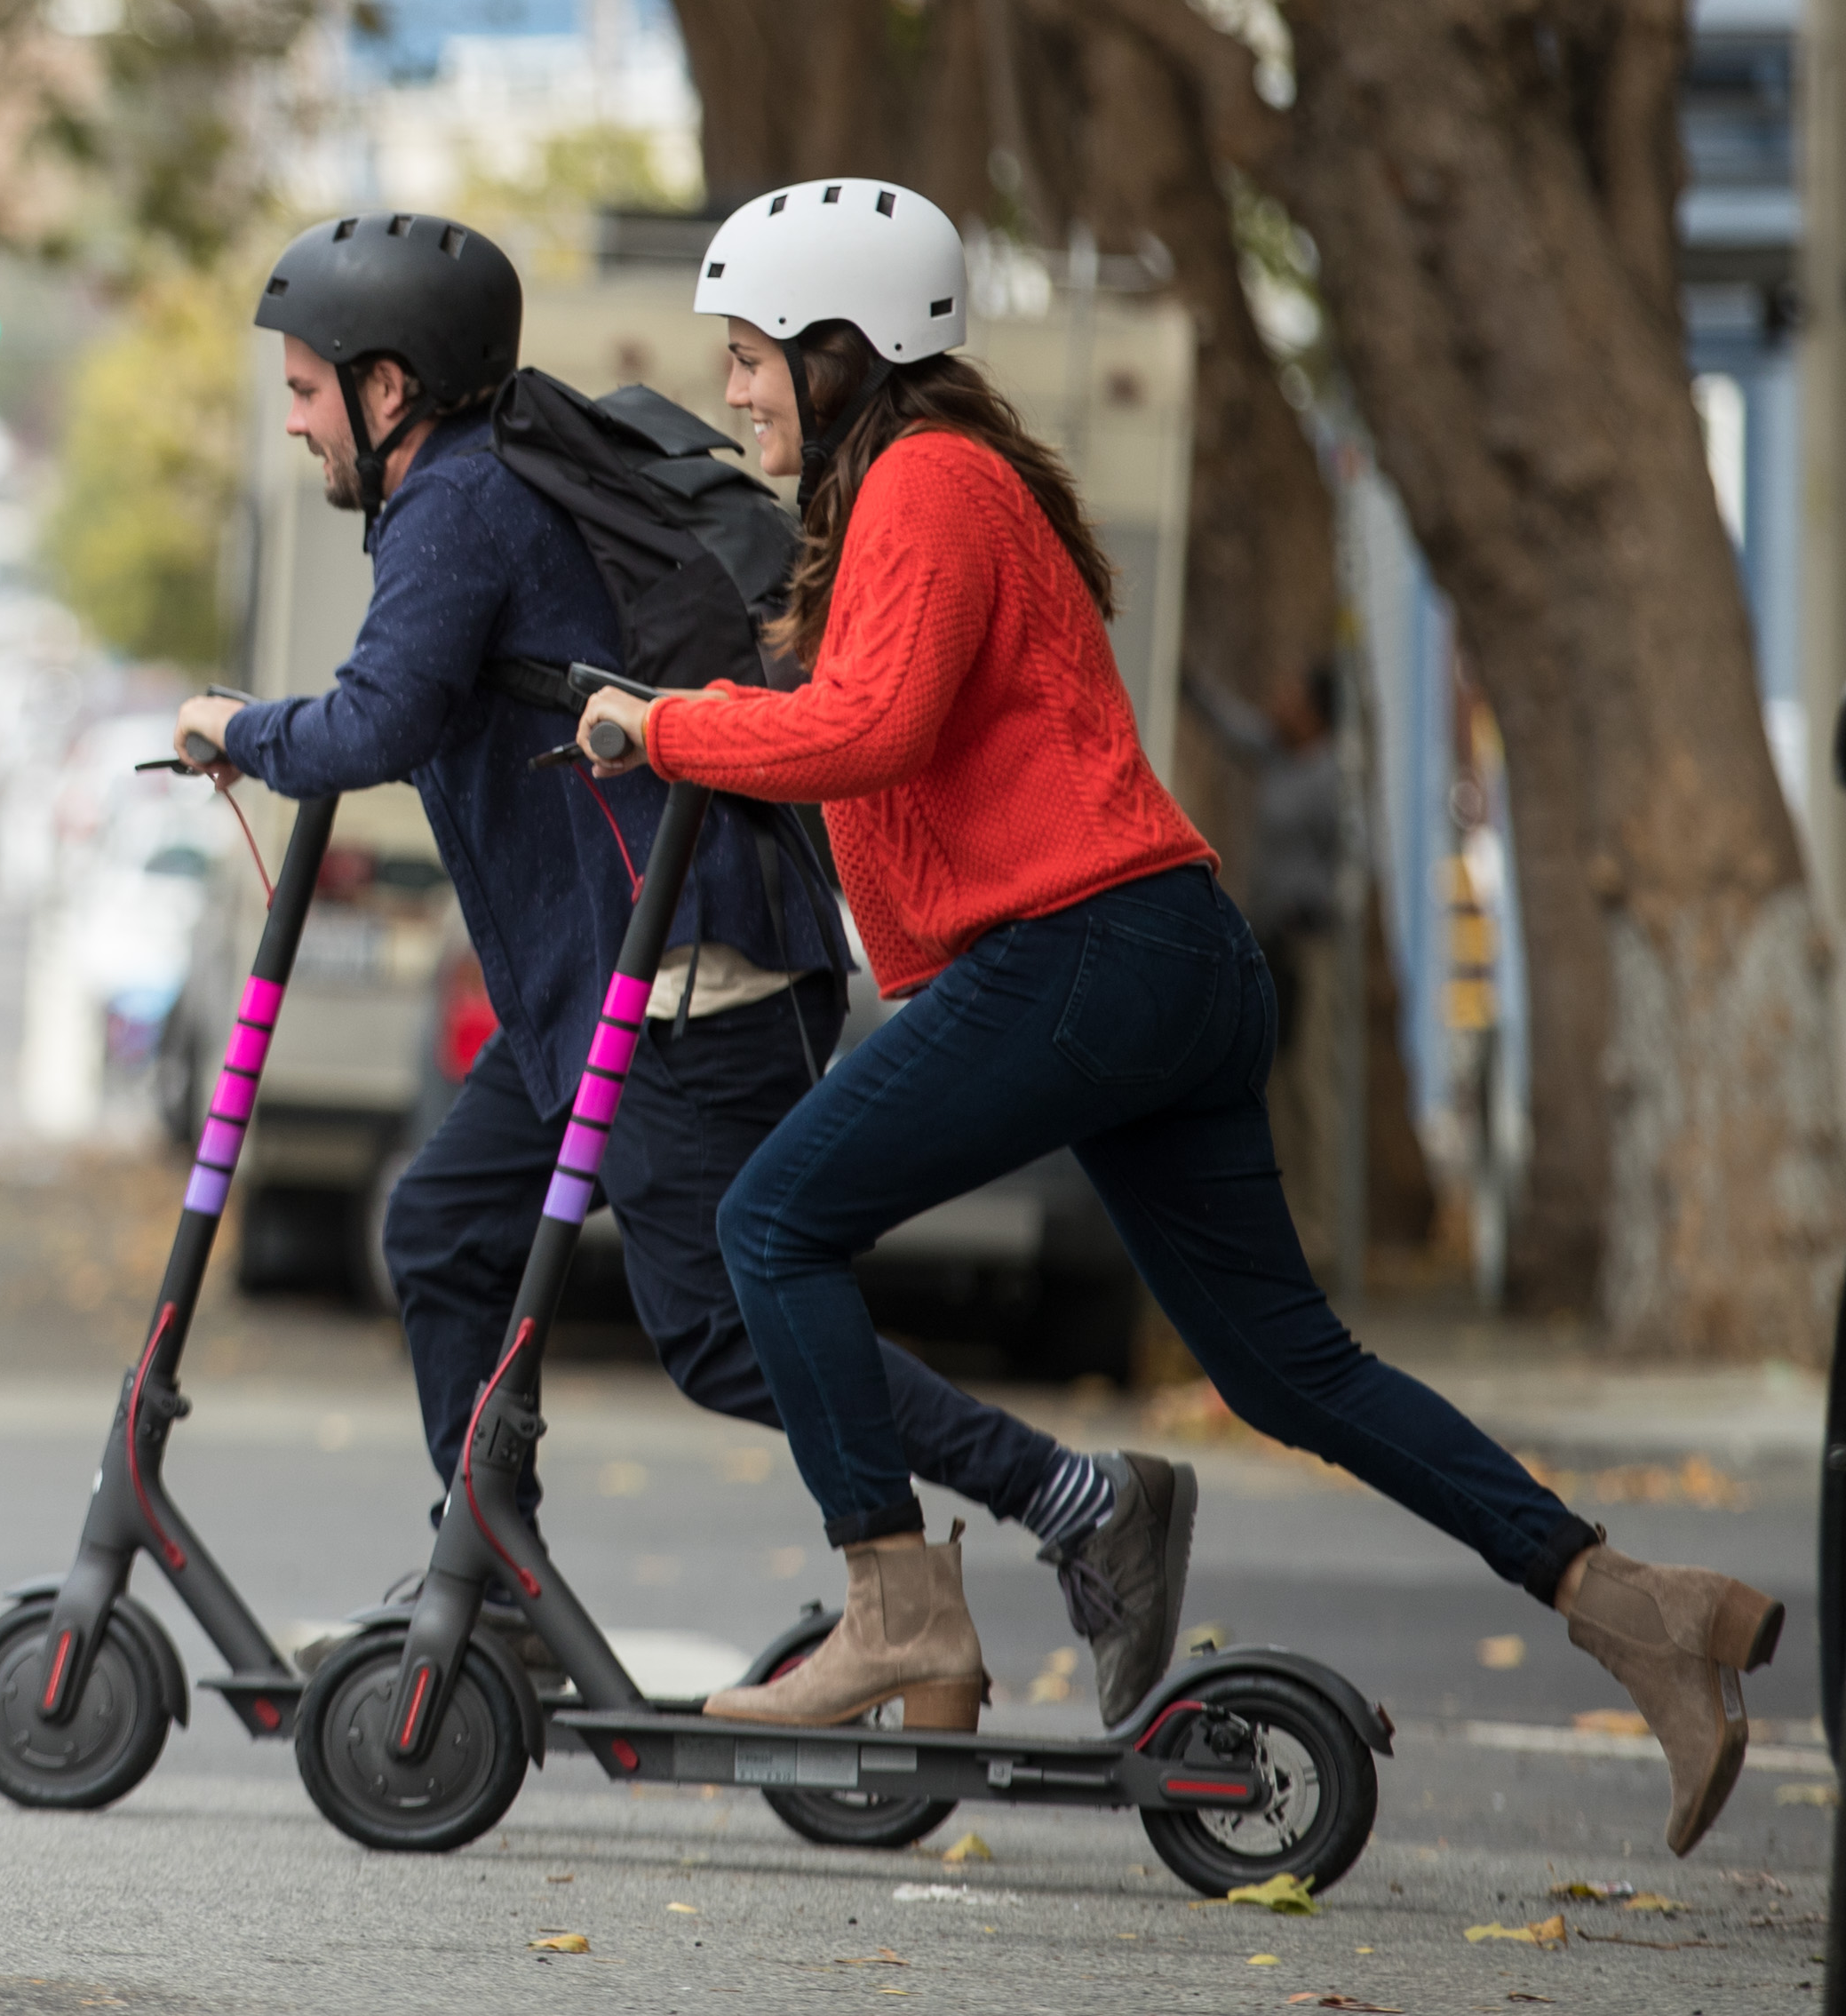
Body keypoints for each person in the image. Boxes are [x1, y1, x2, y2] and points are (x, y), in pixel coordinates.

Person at [580, 178, 1783, 1847]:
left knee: (767, 1221)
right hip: (1155, 959)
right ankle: (1634, 1604)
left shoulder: (930, 480)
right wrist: (723, 719)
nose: (734, 389)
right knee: (1290, 1367)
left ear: (843, 350)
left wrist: (672, 728)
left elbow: (871, 726)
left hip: (1080, 955)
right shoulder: (918, 491)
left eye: (752, 356)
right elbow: (877, 729)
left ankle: (895, 1601)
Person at [173, 211, 1199, 1715]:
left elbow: (376, 720)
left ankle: (1075, 1499)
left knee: (723, 1325)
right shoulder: (493, 465)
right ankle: (494, 1573)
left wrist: (234, 724)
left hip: (685, 981)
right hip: (596, 992)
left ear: (389, 388)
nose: (293, 413)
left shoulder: (462, 499)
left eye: (307, 385)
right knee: (447, 1231)